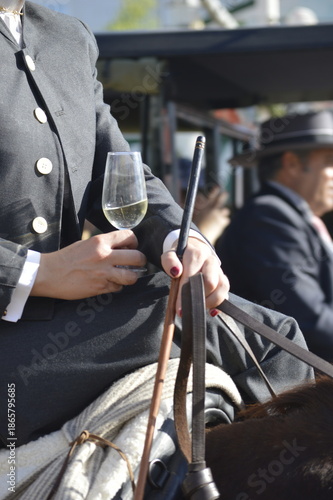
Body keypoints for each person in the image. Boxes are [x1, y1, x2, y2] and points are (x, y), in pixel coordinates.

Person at [0, 0, 311, 455]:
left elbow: (119, 172)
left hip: (70, 328)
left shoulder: (68, 37)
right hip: (17, 356)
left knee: (276, 335)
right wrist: (34, 273)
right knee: (269, 344)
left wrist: (180, 239)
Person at [216, 110, 333, 362]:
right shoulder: (270, 217)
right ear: (291, 164)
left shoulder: (295, 216)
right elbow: (307, 320)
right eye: (329, 162)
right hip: (294, 386)